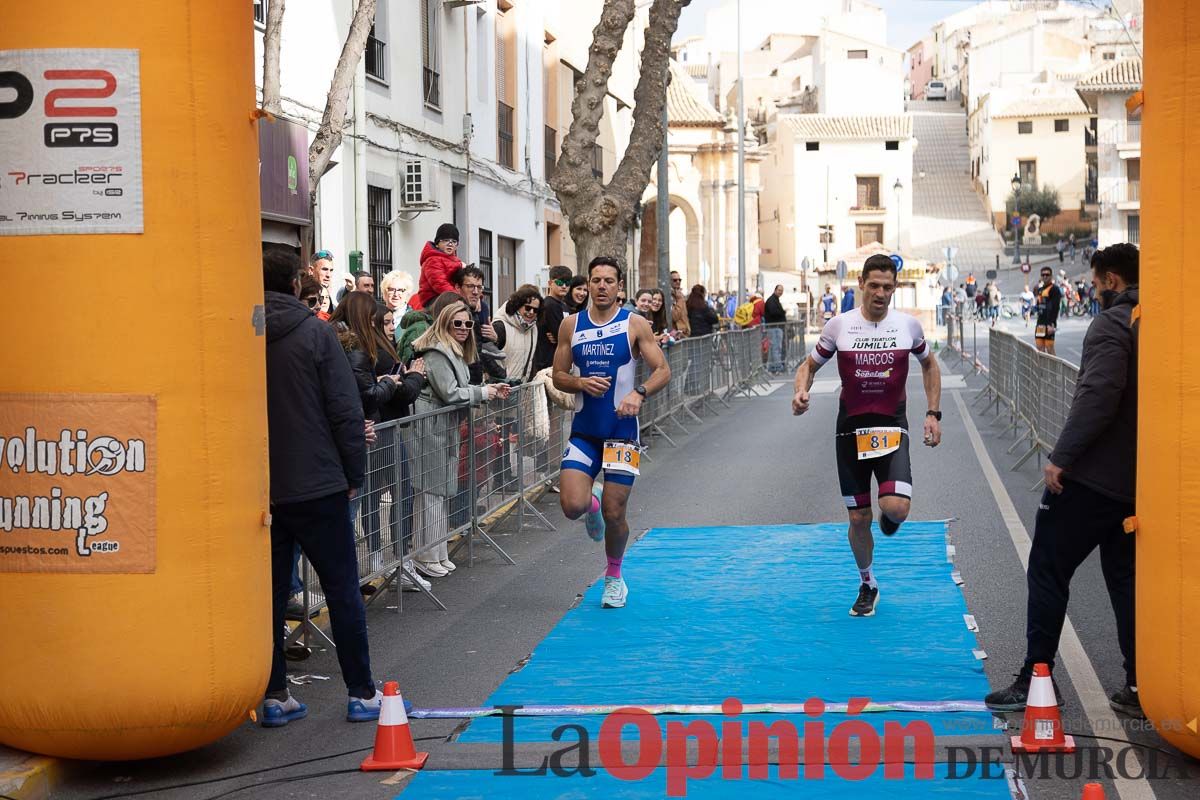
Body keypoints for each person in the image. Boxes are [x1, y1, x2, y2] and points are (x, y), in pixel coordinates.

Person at [985, 244, 1140, 717]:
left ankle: (1038, 679)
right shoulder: (1162, 320)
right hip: (1139, 481)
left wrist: (1061, 458)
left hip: (1094, 476)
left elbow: (1098, 395)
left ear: (1111, 281)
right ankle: (1141, 683)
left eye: (1095, 284)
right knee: (1125, 579)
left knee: (1049, 565)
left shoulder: (1114, 324)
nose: (1093, 292)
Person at [260, 248, 384, 727]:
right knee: (342, 590)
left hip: (263, 488)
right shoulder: (316, 333)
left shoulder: (237, 332)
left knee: (269, 598)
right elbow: (344, 409)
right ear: (296, 283)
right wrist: (354, 474)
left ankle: (274, 693)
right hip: (319, 483)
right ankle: (361, 692)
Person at [791, 254, 942, 617]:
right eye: (874, 285)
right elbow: (809, 365)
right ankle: (867, 582)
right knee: (858, 519)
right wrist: (801, 390)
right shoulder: (839, 326)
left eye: (888, 287)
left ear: (895, 289)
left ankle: (891, 515)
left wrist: (933, 414)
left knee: (895, 508)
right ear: (861, 284)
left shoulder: (908, 326)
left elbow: (929, 365)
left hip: (892, 426)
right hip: (850, 431)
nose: (880, 293)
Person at [552, 257, 671, 609]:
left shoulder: (634, 324)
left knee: (615, 513)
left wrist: (639, 393)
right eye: (596, 280)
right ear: (587, 285)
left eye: (609, 281)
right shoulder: (570, 326)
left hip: (621, 432)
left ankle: (614, 576)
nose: (602, 286)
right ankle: (591, 502)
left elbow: (661, 370)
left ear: (620, 286)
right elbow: (558, 374)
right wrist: (578, 381)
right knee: (572, 506)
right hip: (585, 431)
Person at [409, 301, 513, 577]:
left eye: (468, 323)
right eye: (458, 323)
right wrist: (484, 392)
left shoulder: (452, 352)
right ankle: (428, 555)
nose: (465, 328)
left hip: (442, 426)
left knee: (439, 490)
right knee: (431, 491)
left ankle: (435, 553)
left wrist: (486, 389)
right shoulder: (437, 353)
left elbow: (458, 390)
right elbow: (451, 392)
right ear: (444, 323)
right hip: (430, 426)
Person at [451, 265, 506, 383]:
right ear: (458, 287)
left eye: (479, 287)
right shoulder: (449, 311)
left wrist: (495, 338)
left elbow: (483, 348)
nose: (476, 292)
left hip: (475, 380)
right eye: (470, 286)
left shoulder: (483, 309)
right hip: (457, 383)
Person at [496, 285, 543, 384]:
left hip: (522, 389)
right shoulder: (500, 326)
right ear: (518, 305)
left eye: (535, 310)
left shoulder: (533, 329)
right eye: (528, 308)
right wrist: (503, 378)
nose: (531, 312)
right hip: (499, 388)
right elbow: (486, 358)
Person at [411, 223, 462, 311]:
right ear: (437, 243)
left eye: (454, 241)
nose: (450, 244)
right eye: (446, 240)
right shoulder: (432, 260)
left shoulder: (456, 261)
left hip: (447, 296)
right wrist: (458, 298)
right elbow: (439, 283)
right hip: (433, 298)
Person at [534, 265, 573, 374]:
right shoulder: (549, 305)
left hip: (560, 362)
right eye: (560, 283)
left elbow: (567, 335)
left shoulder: (564, 306)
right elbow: (561, 335)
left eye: (567, 283)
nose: (564, 286)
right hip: (547, 364)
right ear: (550, 283)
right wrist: (563, 336)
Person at [1034, 266, 1062, 355]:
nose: (1045, 276)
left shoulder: (1055, 289)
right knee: (1039, 348)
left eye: (1047, 274)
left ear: (1051, 276)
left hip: (1049, 323)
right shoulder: (1040, 290)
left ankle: (1053, 369)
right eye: (1043, 275)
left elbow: (1055, 308)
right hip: (1040, 323)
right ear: (1041, 276)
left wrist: (1052, 324)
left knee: (1049, 347)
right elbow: (1039, 305)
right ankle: (1043, 369)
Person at [763, 284, 788, 373]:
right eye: (779, 290)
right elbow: (774, 312)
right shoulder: (771, 300)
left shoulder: (775, 300)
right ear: (775, 290)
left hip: (776, 327)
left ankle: (774, 366)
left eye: (782, 290)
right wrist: (782, 312)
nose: (780, 292)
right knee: (776, 348)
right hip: (774, 327)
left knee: (775, 347)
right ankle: (777, 366)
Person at [308, 250, 338, 316]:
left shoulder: (333, 308)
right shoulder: (303, 299)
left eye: (331, 270)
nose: (328, 275)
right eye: (324, 269)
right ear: (311, 271)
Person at [669, 271, 691, 337]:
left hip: (684, 333)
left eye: (679, 280)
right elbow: (674, 316)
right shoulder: (670, 297)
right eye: (675, 280)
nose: (678, 282)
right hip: (677, 335)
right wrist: (679, 300)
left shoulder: (680, 295)